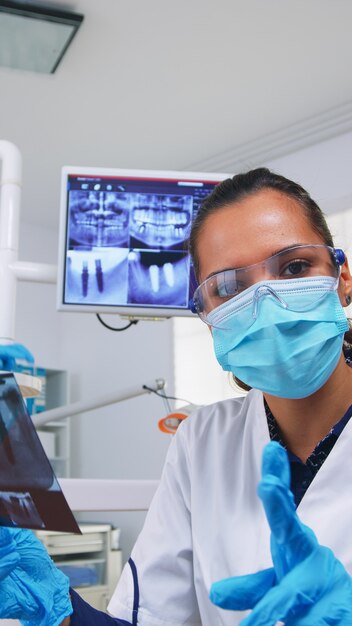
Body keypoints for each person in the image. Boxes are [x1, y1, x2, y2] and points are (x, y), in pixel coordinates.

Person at [1, 167, 352, 625]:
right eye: (228, 287)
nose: (267, 300)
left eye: (295, 267)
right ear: (207, 317)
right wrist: (52, 606)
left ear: (342, 277)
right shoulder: (202, 440)